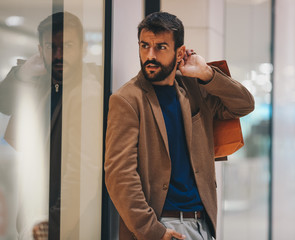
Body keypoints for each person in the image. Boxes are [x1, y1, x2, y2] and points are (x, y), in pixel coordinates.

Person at [105, 11, 255, 240]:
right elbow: (120, 175)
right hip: (162, 224)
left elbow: (244, 104)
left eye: (161, 47)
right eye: (144, 46)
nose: (150, 55)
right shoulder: (127, 99)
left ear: (180, 52)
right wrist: (154, 231)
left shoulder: (194, 88)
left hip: (202, 223)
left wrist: (207, 74)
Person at [0, 12, 102, 239]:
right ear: (40, 49)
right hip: (37, 213)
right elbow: (4, 102)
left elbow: (81, 172)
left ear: (83, 48)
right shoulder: (46, 84)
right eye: (50, 47)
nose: (58, 55)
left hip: (61, 225)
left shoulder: (87, 92)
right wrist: (26, 72)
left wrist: (53, 225)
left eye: (67, 45)